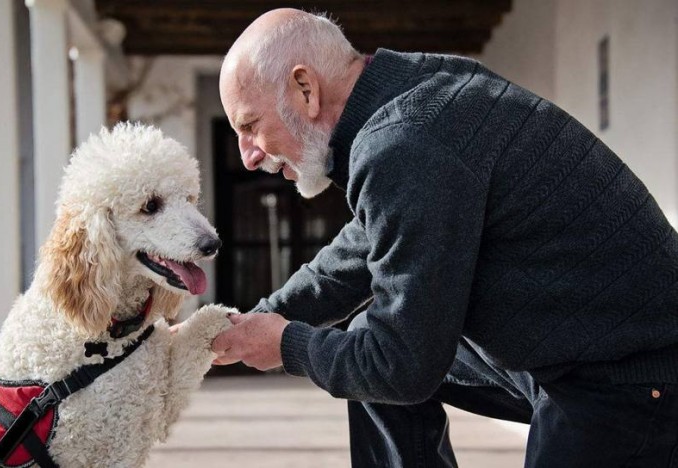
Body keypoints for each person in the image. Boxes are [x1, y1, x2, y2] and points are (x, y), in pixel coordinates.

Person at [211, 8, 678, 467]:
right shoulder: (417, 91)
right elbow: (359, 250)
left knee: (384, 362)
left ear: (305, 89)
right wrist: (250, 324)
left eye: (249, 126)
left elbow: (401, 365)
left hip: (633, 379)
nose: (247, 157)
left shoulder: (404, 143)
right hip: (571, 354)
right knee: (365, 346)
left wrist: (287, 344)